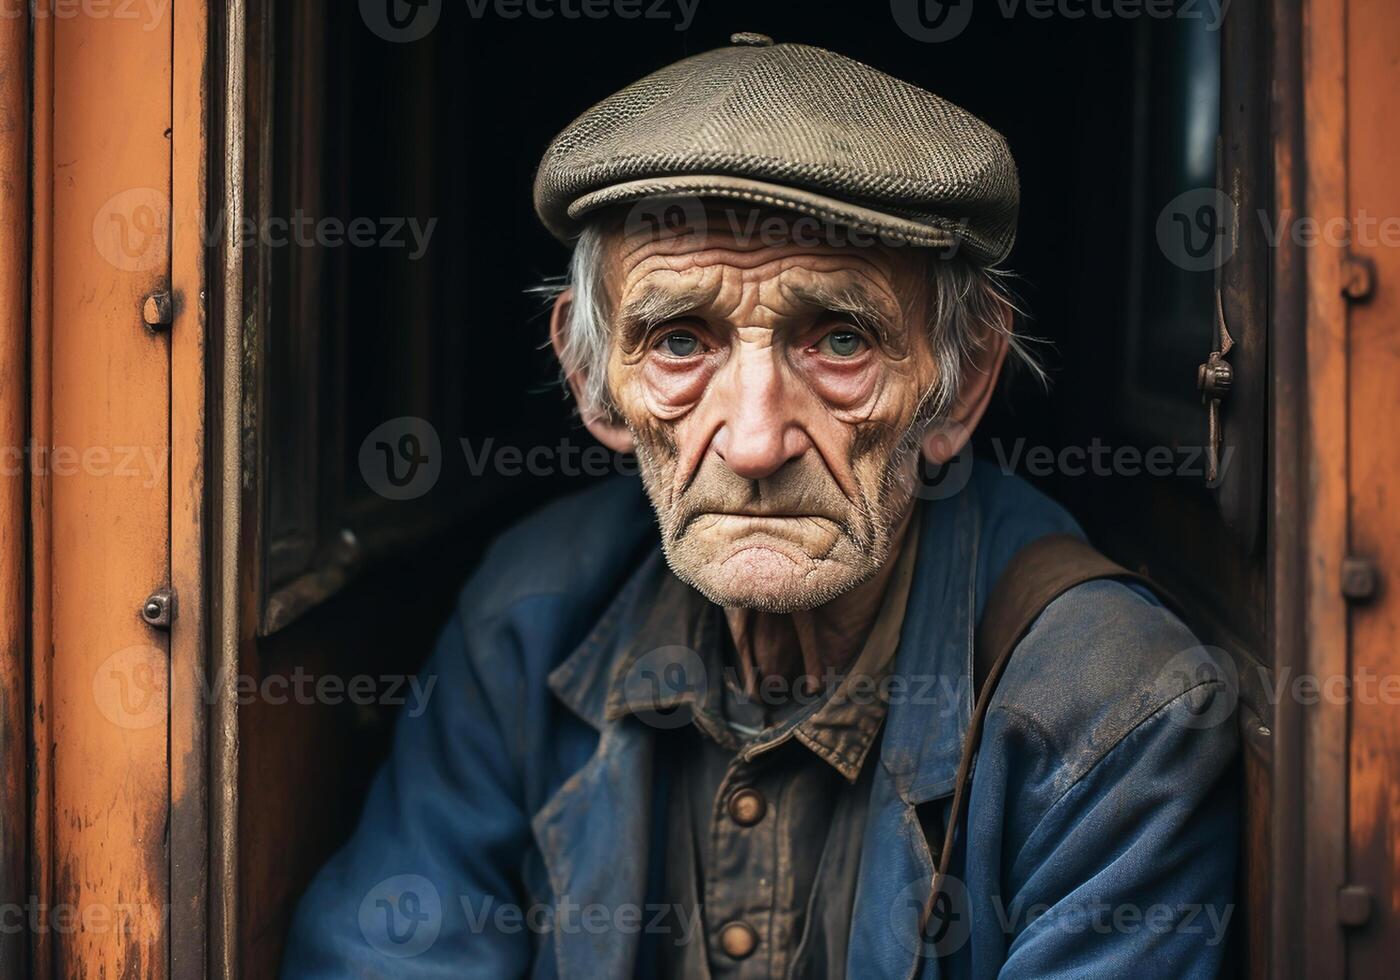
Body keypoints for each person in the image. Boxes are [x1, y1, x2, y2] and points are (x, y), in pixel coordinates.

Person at [283, 33, 1237, 979]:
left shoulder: (1109, 709)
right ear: (590, 375)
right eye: (680, 343)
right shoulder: (529, 618)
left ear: (961, 381)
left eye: (840, 342)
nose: (752, 442)